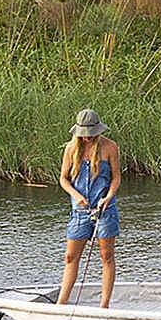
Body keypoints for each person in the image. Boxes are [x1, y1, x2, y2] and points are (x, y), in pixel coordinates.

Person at [57, 109, 121, 309]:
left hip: (105, 210)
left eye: (91, 135)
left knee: (106, 256)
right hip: (80, 211)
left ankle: (104, 305)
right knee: (70, 257)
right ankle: (61, 303)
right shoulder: (70, 149)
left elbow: (116, 178)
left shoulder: (110, 147)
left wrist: (108, 198)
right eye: (83, 135)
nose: (87, 139)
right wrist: (76, 196)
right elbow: (63, 179)